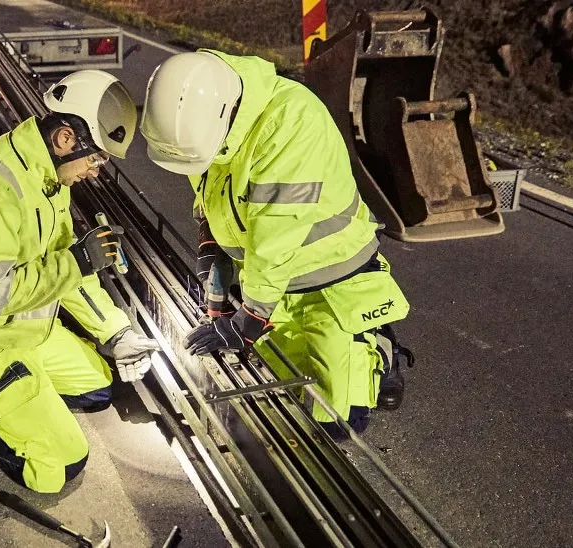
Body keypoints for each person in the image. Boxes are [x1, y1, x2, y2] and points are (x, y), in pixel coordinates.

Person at [0, 70, 160, 493]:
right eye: (96, 158)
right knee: (59, 465)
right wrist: (77, 261)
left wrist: (116, 333)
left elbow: (67, 270)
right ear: (64, 139)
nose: (97, 170)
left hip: (22, 330)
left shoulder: (48, 179)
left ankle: (19, 396)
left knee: (98, 387)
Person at [140, 50, 413, 439]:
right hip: (273, 285)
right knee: (280, 396)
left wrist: (249, 318)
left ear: (224, 116)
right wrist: (210, 241)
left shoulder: (291, 123)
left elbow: (275, 236)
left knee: (335, 421)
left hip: (332, 281)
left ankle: (381, 347)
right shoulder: (208, 118)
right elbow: (210, 187)